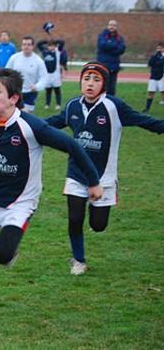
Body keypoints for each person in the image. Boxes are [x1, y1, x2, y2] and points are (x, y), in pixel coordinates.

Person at [0, 68, 102, 319]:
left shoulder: (31, 126)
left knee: (0, 255)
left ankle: (10, 245)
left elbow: (72, 145)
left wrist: (93, 181)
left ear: (13, 98)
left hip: (21, 202)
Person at [44, 62, 164, 275]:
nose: (90, 83)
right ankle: (78, 260)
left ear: (104, 84)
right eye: (87, 78)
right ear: (80, 81)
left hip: (104, 177)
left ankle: (96, 217)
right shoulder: (73, 106)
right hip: (76, 173)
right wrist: (24, 126)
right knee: (74, 218)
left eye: (96, 79)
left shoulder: (114, 107)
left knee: (98, 225)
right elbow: (51, 123)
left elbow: (144, 120)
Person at [5, 36, 47, 112]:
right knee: (12, 115)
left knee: (26, 116)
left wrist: (37, 86)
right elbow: (6, 72)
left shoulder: (38, 61)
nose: (26, 47)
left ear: (32, 46)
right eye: (24, 44)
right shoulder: (14, 58)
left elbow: (44, 77)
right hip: (15, 91)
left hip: (30, 93)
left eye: (28, 44)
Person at [36, 39, 68, 110]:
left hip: (56, 74)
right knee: (48, 91)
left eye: (53, 46)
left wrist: (55, 41)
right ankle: (47, 104)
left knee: (57, 90)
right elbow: (38, 44)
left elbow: (62, 42)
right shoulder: (45, 52)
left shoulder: (57, 51)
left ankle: (58, 104)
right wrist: (46, 41)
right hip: (47, 75)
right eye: (50, 46)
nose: (51, 47)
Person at [96, 20, 125, 96]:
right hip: (103, 65)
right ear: (108, 26)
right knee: (102, 86)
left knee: (112, 88)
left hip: (114, 66)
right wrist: (115, 46)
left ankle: (111, 104)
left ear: (116, 27)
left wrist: (109, 48)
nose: (112, 27)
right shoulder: (102, 36)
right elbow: (102, 46)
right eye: (110, 25)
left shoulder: (120, 38)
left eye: (114, 25)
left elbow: (122, 49)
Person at [143, 42, 164, 113]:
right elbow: (150, 64)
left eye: (161, 48)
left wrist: (158, 62)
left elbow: (160, 63)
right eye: (158, 48)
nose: (159, 50)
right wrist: (156, 58)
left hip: (162, 76)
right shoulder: (154, 56)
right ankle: (147, 108)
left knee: (162, 92)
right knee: (151, 92)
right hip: (153, 76)